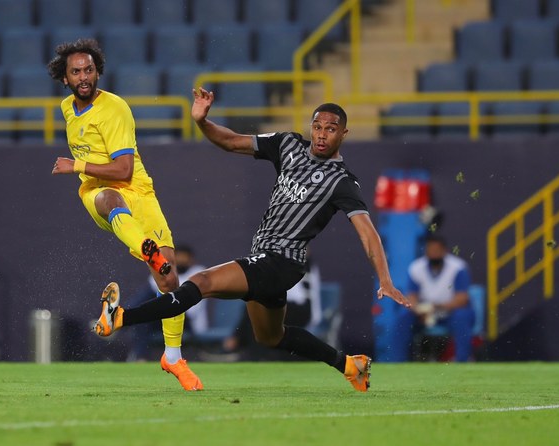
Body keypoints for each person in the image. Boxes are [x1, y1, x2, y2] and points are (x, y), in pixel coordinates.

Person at [93, 88, 410, 392]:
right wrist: (202, 121)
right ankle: (351, 366)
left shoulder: (342, 182)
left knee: (201, 283)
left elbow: (367, 232)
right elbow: (231, 142)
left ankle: (121, 317)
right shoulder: (288, 144)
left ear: (344, 134)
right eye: (317, 127)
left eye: (331, 129)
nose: (322, 134)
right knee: (271, 336)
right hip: (268, 260)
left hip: (282, 261)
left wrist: (385, 280)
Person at [47, 39, 202, 390]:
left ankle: (173, 358)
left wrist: (76, 165)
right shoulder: (67, 108)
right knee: (109, 198)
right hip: (98, 192)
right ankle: (147, 249)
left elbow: (124, 170)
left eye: (89, 70)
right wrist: (83, 172)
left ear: (98, 72)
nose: (84, 77)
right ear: (65, 78)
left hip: (138, 189)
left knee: (169, 281)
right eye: (76, 72)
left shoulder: (114, 109)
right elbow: (108, 178)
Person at [128, 244, 208, 361]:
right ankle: (141, 357)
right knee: (144, 312)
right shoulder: (164, 273)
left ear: (191, 259)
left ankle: (123, 319)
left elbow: (192, 310)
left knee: (161, 303)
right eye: (178, 257)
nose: (181, 260)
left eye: (184, 257)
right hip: (164, 318)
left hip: (188, 321)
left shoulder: (198, 273)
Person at [406, 233, 475, 362]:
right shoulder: (416, 268)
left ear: (444, 251)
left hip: (450, 313)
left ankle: (462, 360)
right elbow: (411, 297)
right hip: (425, 314)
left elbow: (462, 299)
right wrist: (418, 310)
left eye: (436, 250)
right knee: (404, 317)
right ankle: (398, 362)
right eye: (430, 250)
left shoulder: (458, 267)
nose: (433, 254)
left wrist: (436, 306)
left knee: (461, 316)